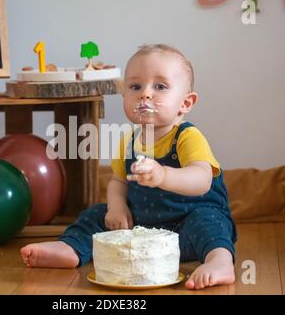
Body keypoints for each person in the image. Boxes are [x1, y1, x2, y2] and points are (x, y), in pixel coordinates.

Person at [20, 44, 237, 290]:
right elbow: (118, 181)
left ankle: (219, 261)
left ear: (186, 103)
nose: (145, 94)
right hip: (141, 228)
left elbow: (202, 179)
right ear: (125, 96)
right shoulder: (130, 139)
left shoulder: (187, 137)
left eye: (160, 86)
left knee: (210, 223)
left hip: (187, 227)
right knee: (95, 214)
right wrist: (117, 206)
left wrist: (163, 175)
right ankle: (70, 247)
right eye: (135, 87)